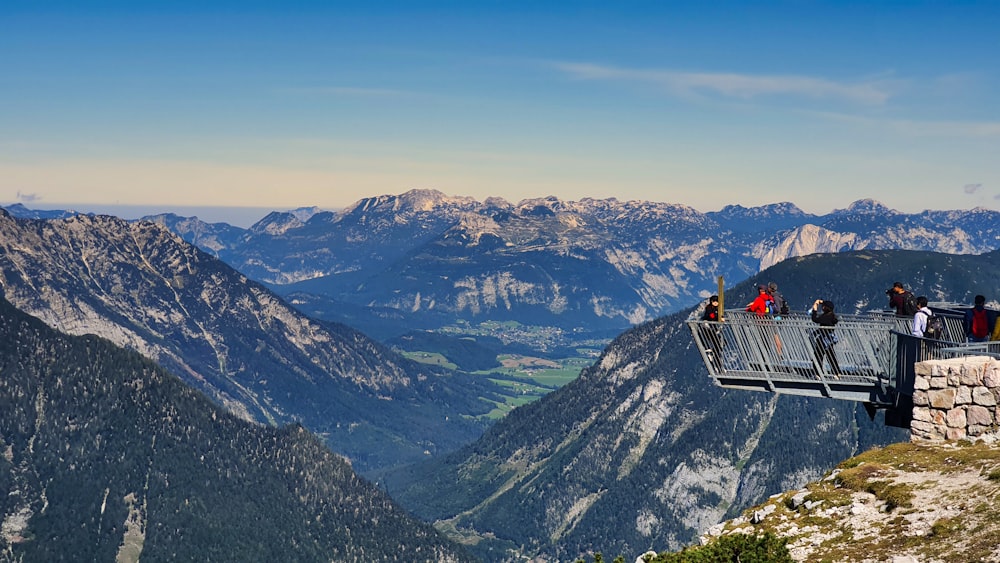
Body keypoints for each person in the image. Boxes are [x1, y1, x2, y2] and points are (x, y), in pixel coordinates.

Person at [811, 299, 841, 375]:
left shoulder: (826, 317)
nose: (822, 307)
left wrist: (814, 309)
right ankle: (837, 372)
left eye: (823, 306)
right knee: (831, 356)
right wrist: (821, 301)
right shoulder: (832, 316)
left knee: (818, 356)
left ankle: (818, 373)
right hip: (830, 338)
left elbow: (815, 319)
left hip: (823, 339)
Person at [700, 295, 723, 371]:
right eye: (715, 301)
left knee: (721, 343)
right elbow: (711, 317)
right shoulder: (709, 309)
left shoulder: (716, 308)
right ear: (712, 302)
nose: (716, 303)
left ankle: (714, 354)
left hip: (712, 329)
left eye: (717, 301)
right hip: (708, 330)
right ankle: (715, 360)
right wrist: (719, 318)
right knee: (717, 344)